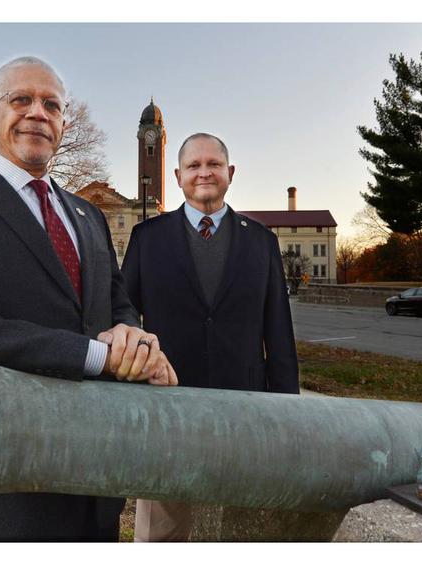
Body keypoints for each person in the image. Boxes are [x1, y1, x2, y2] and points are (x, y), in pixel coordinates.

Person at [0, 56, 177, 542]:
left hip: (93, 485)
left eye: (52, 104)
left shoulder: (89, 217)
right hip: (0, 495)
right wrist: (93, 356)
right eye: (20, 99)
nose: (37, 113)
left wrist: (133, 338)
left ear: (64, 122)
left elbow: (116, 302)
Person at [121, 133, 299, 542]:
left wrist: (289, 411)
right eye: (195, 166)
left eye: (214, 164)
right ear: (179, 175)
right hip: (166, 404)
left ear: (230, 173)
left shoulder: (262, 242)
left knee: (242, 525)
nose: (205, 172)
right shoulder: (147, 238)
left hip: (244, 405)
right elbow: (124, 313)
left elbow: (279, 330)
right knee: (161, 530)